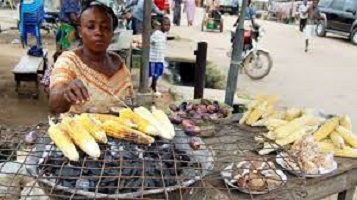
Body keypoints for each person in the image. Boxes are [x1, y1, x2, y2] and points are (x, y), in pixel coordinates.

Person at [49, 1, 134, 114]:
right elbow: (55, 104)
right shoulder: (69, 61)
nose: (98, 32)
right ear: (80, 32)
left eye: (105, 27)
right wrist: (66, 90)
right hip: (78, 130)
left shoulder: (118, 64)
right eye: (90, 27)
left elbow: (128, 100)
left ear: (112, 34)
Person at [149, 17, 171, 95]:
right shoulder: (156, 33)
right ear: (161, 25)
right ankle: (153, 87)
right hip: (154, 59)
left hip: (160, 58)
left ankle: (152, 85)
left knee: (158, 73)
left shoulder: (164, 34)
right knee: (153, 73)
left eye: (169, 25)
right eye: (166, 25)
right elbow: (150, 41)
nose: (168, 27)